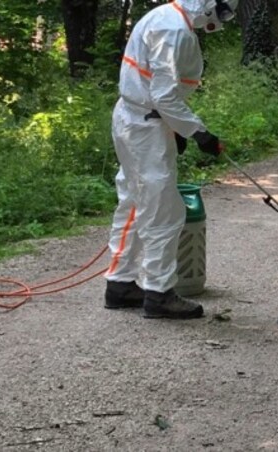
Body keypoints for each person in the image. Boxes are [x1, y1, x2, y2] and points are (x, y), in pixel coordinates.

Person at [103, 0, 237, 319]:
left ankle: (120, 285)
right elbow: (163, 95)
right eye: (221, 12)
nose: (218, 21)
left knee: (134, 201)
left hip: (136, 118)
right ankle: (159, 294)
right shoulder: (174, 29)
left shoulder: (165, 17)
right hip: (145, 126)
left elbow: (158, 89)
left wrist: (176, 128)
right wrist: (199, 133)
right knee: (164, 210)